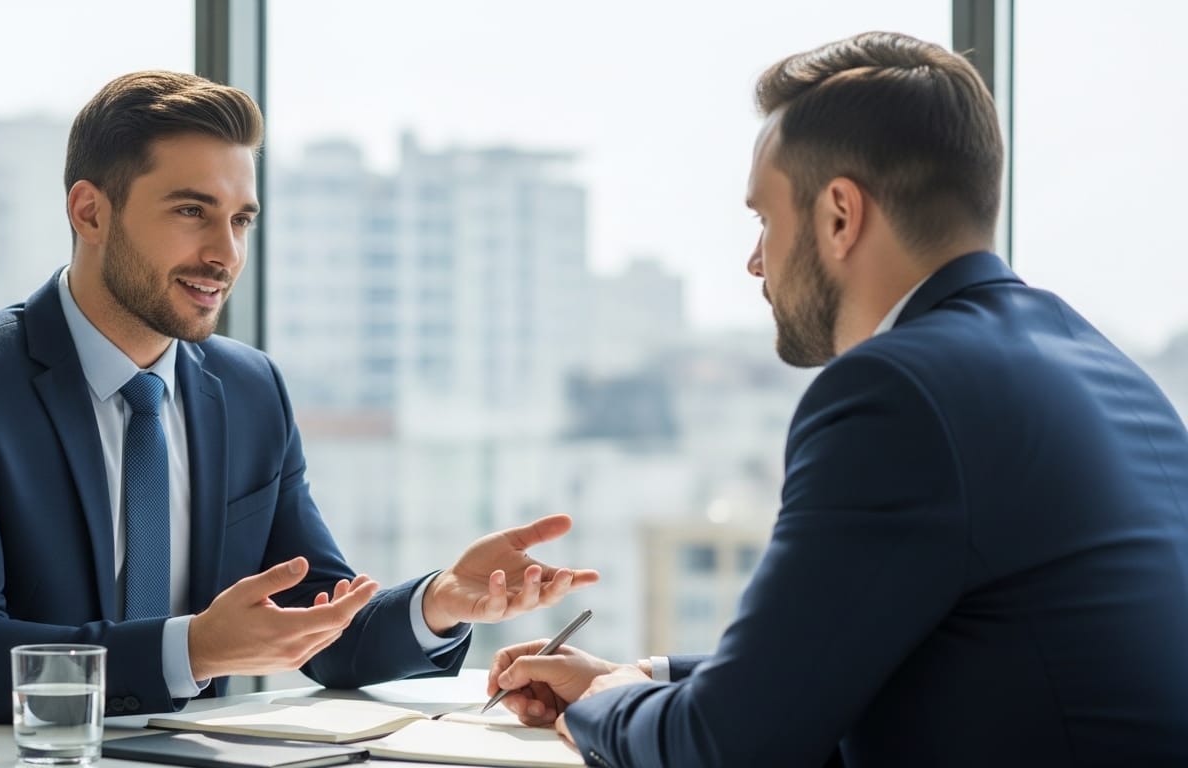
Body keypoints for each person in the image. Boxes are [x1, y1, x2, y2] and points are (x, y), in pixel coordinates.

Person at [487, 30, 1188, 767]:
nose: (754, 261)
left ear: (840, 216)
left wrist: (600, 708)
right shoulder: (1108, 371)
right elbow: (870, 661)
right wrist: (638, 679)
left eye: (764, 219)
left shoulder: (897, 393)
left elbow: (729, 748)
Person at [0, 70, 598, 731]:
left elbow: (320, 625)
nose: (226, 252)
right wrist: (194, 648)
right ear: (90, 213)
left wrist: (439, 600)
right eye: (192, 211)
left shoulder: (250, 390)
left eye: (241, 219)